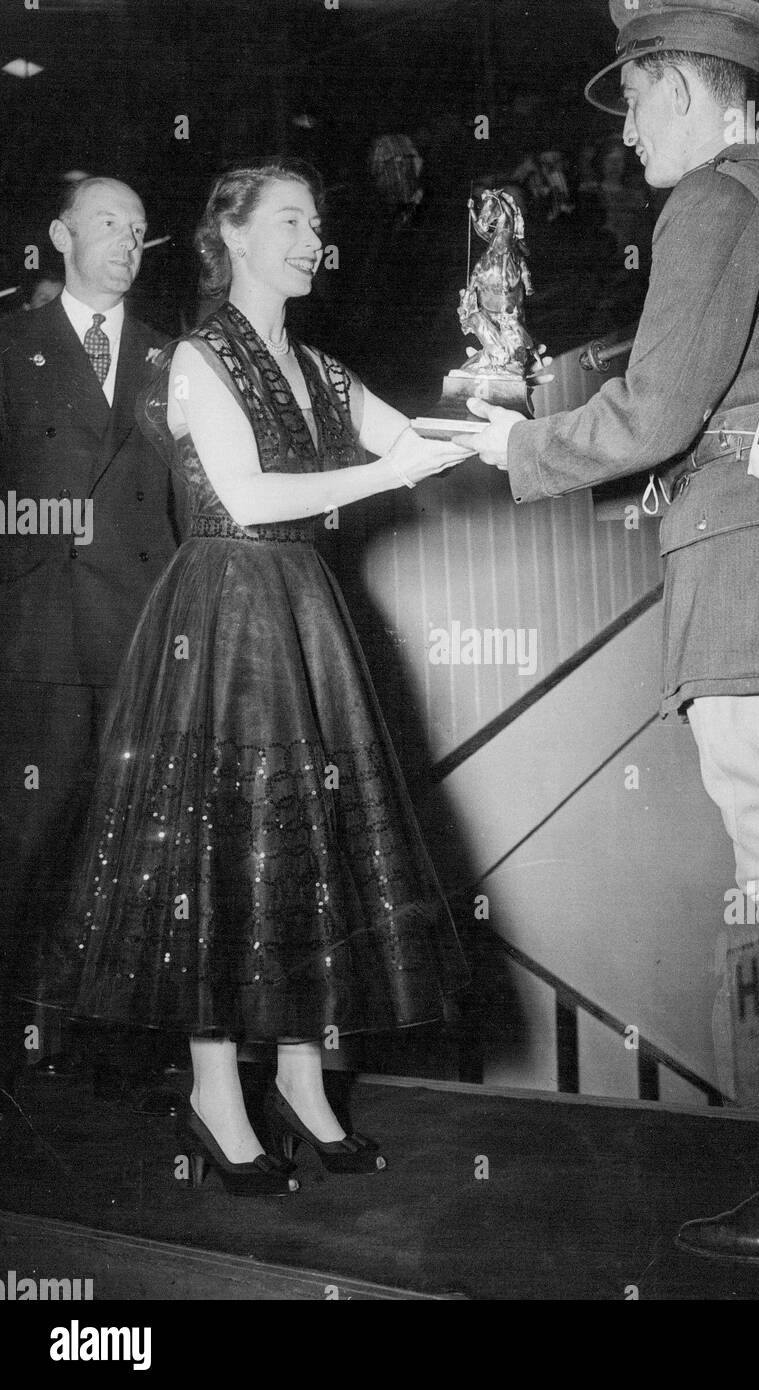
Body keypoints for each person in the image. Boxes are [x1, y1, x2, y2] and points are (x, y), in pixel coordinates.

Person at [461, 0, 759, 1261]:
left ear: (677, 89)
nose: (625, 140)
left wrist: (515, 443)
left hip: (757, 585)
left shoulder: (713, 205)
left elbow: (661, 409)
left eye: (630, 105)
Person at [39, 158, 471, 1196]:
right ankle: (213, 1092)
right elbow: (250, 493)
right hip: (224, 618)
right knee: (216, 858)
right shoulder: (197, 357)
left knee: (306, 851)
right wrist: (398, 469)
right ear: (229, 235)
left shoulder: (318, 367)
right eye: (288, 219)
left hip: (304, 615)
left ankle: (300, 1079)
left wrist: (491, 401)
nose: (309, 236)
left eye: (315, 220)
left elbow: (411, 438)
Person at [0, 178, 182, 1114]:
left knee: (127, 845)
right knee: (30, 839)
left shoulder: (171, 359)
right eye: (108, 223)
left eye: (140, 230)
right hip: (37, 629)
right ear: (60, 233)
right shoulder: (9, 345)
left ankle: (103, 1041)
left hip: (140, 631)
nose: (126, 240)